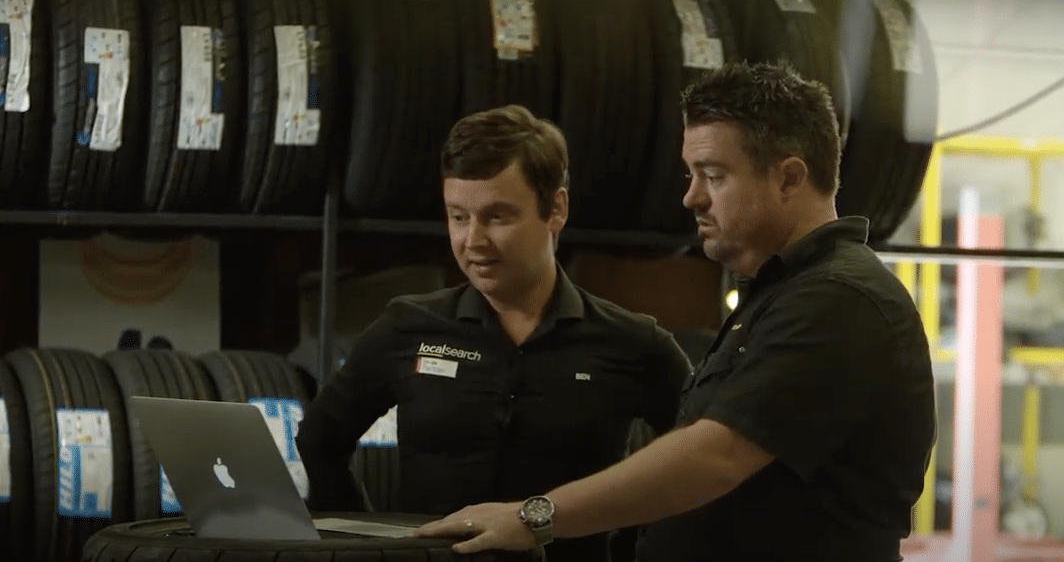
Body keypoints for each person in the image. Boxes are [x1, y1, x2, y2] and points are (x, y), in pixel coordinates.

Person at [413, 61, 937, 562]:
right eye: (691, 174)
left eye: (713, 176)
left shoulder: (839, 300)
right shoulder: (780, 294)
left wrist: (533, 518)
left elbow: (717, 456)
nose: (691, 198)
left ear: (789, 178)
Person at [294, 104, 694, 562]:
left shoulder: (634, 344)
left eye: (498, 217)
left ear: (556, 208)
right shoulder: (406, 328)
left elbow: (695, 465)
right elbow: (319, 440)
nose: (473, 241)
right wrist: (370, 547)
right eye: (458, 216)